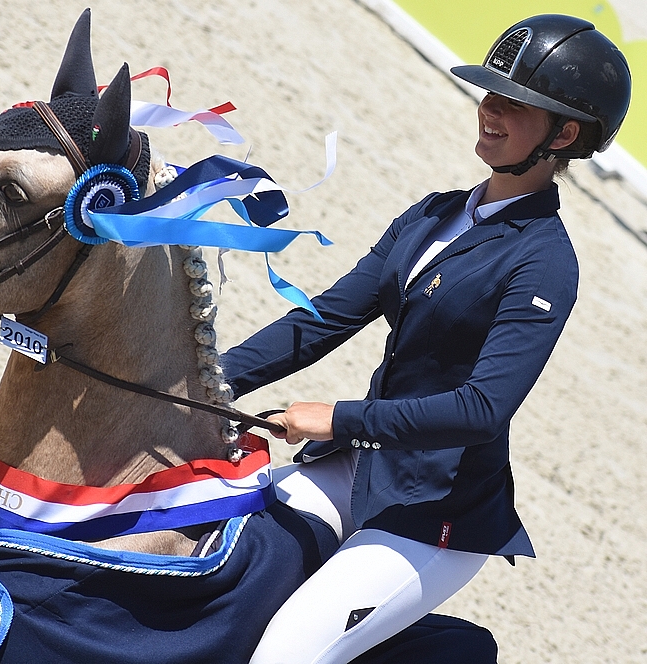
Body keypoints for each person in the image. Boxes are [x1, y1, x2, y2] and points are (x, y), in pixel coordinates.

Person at [221, 14, 631, 663]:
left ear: (565, 133)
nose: (489, 112)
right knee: (220, 571)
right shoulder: (434, 213)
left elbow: (481, 410)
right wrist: (210, 378)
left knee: (286, 655)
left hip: (436, 514)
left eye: (514, 104)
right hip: (357, 467)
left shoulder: (545, 262)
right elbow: (323, 318)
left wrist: (337, 418)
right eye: (489, 93)